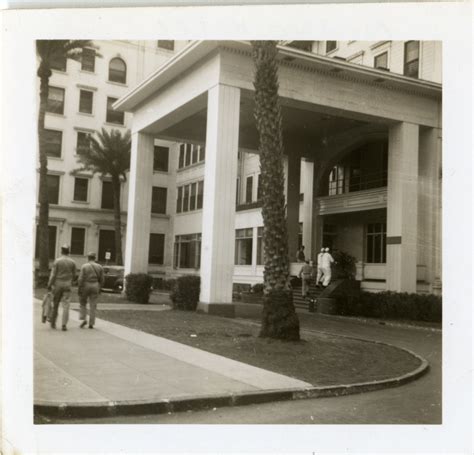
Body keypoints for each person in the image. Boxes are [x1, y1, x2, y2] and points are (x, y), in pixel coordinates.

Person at [47, 245, 77, 331]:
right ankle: (64, 324)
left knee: (55, 303)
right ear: (69, 251)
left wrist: (49, 284)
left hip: (58, 284)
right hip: (67, 284)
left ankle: (53, 322)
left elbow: (53, 274)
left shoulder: (57, 261)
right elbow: (74, 274)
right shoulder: (72, 262)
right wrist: (71, 280)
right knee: (66, 305)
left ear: (61, 251)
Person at [78, 252, 104, 329]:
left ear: (88, 258)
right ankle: (91, 323)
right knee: (93, 305)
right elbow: (102, 279)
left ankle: (83, 318)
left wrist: (80, 287)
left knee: (83, 302)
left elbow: (81, 278)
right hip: (95, 284)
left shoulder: (84, 266)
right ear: (94, 258)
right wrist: (100, 287)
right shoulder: (99, 267)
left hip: (86, 284)